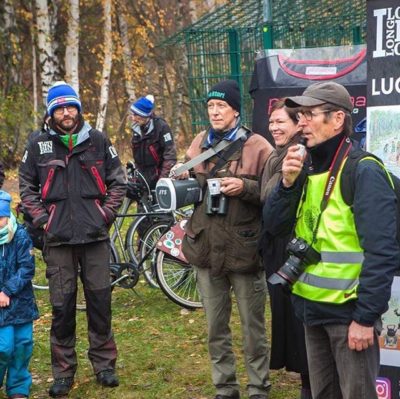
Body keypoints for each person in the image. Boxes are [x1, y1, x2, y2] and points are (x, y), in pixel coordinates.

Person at [262, 81, 399, 399]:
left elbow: (382, 252)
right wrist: (285, 184)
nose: (302, 123)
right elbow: (274, 226)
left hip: (349, 317)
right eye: (299, 115)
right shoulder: (305, 167)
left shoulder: (363, 171)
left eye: (309, 114)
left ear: (337, 119)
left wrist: (365, 319)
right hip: (311, 311)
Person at [19, 81, 127, 397]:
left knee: (100, 302)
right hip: (58, 241)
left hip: (94, 239)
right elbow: (26, 188)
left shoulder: (97, 140)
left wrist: (104, 214)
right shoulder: (38, 144)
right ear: (51, 113)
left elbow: (117, 182)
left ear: (79, 109)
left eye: (71, 107)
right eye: (60, 108)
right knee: (62, 306)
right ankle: (63, 372)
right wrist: (43, 220)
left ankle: (105, 365)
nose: (67, 113)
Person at [176, 79, 273, 399]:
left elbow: (275, 195)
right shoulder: (200, 142)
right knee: (216, 328)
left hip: (243, 248)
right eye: (210, 107)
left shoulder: (258, 146)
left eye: (221, 106)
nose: (215, 112)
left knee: (252, 329)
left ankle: (258, 388)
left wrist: (243, 187)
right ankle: (225, 387)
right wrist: (182, 175)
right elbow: (191, 184)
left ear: (235, 111)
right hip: (206, 247)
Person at [259, 100, 311, 399]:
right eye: (272, 122)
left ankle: (309, 384)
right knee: (290, 325)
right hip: (276, 248)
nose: (274, 127)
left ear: (296, 125)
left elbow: (272, 196)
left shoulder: (296, 154)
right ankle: (306, 382)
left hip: (292, 248)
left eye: (281, 122)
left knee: (299, 325)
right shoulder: (276, 154)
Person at [0, 190, 39, 399]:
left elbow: (27, 267)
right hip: (0, 307)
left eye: (1, 218)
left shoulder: (21, 235)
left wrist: (7, 290)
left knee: (23, 345)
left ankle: (18, 387)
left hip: (21, 302)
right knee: (3, 347)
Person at [129, 94, 177, 190]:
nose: (133, 118)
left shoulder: (162, 127)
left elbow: (170, 156)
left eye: (136, 115)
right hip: (142, 178)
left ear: (145, 115)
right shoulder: (136, 129)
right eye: (132, 114)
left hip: (159, 177)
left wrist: (162, 181)